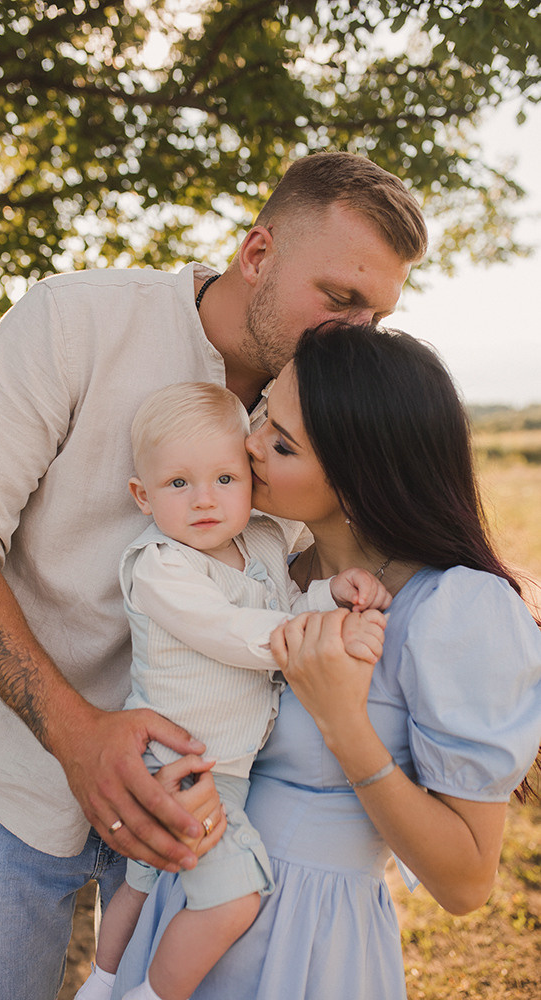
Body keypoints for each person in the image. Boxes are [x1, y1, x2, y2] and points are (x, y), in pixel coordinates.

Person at [0, 152, 428, 1000]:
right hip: (12, 774)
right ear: (257, 256)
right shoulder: (74, 324)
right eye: (339, 299)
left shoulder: (320, 406)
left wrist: (471, 576)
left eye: (375, 313)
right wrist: (76, 736)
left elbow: (328, 550)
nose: (355, 334)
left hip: (207, 796)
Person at [112, 322, 541, 1000]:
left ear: (355, 477)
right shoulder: (268, 572)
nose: (248, 446)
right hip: (193, 901)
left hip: (308, 937)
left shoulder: (455, 609)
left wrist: (344, 722)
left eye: (279, 443)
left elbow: (465, 884)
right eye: (260, 418)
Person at [77, 381, 390, 1000]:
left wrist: (331, 593)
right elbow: (229, 631)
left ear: (249, 478)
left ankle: (102, 981)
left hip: (226, 761)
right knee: (234, 896)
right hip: (181, 762)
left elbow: (286, 603)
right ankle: (145, 993)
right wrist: (322, 631)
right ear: (142, 495)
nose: (205, 501)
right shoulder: (161, 566)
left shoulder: (265, 542)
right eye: (177, 484)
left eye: (225, 479)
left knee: (143, 881)